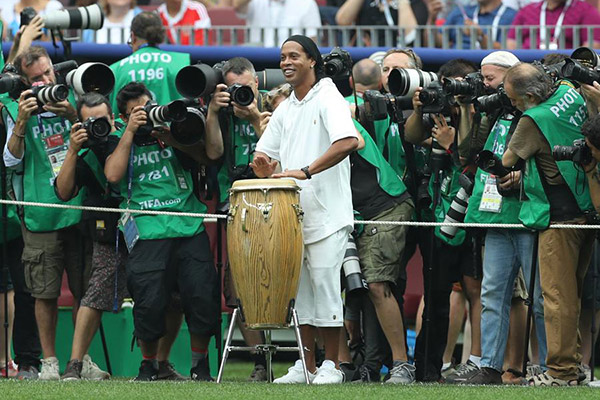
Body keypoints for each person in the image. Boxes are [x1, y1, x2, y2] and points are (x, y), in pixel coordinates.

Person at [250, 34, 358, 384]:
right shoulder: (286, 107)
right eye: (282, 57)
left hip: (329, 214)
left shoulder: (329, 96)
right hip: (292, 216)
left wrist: (306, 171)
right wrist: (263, 166)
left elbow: (348, 141)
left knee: (327, 289)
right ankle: (306, 366)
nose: (286, 62)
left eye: (294, 56)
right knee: (304, 294)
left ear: (312, 60)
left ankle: (333, 367)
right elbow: (265, 154)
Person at [104, 82, 222, 381]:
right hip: (146, 229)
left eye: (147, 108)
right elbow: (113, 175)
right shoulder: (119, 136)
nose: (144, 115)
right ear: (123, 116)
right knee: (148, 301)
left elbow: (208, 157)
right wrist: (130, 131)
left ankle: (200, 365)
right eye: (135, 113)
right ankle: (148, 364)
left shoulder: (173, 130)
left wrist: (173, 138)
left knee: (201, 295)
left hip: (187, 224)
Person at [2, 45, 102, 381]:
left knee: (83, 289)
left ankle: (80, 359)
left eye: (48, 73)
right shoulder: (16, 108)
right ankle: (49, 362)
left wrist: (73, 114)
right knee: (43, 293)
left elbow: (97, 148)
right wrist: (22, 120)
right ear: (25, 83)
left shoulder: (74, 101)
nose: (45, 81)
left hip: (78, 209)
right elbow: (10, 160)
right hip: (41, 214)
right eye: (36, 79)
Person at [502, 63, 596, 386]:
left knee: (556, 297)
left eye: (514, 100)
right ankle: (573, 367)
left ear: (529, 95)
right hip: (586, 207)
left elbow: (505, 162)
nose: (513, 106)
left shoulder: (532, 119)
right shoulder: (570, 93)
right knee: (573, 296)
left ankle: (560, 372)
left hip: (558, 217)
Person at [462, 51, 547, 385]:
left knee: (540, 297)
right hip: (495, 217)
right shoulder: (493, 112)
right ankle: (489, 366)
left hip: (529, 217)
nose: (485, 85)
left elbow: (550, 163)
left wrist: (522, 179)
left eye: (490, 79)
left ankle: (547, 369)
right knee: (492, 293)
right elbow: (467, 151)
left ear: (514, 79)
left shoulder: (537, 113)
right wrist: (471, 109)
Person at [404, 59, 483, 383]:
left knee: (476, 289)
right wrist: (418, 108)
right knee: (436, 296)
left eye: (459, 86)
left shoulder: (481, 113)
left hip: (473, 215)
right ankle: (427, 369)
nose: (452, 93)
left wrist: (454, 133)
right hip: (438, 216)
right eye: (447, 85)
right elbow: (411, 135)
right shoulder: (435, 110)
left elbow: (468, 157)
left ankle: (478, 362)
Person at [204, 56, 269, 381]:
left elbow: (284, 152)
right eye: (234, 90)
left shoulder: (277, 104)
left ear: (257, 83)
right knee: (239, 286)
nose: (241, 95)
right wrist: (214, 112)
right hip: (236, 203)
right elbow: (214, 153)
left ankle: (309, 359)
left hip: (276, 202)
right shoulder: (223, 114)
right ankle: (260, 360)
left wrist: (256, 117)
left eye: (246, 88)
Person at [54, 93, 125, 381]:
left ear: (113, 119)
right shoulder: (81, 150)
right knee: (93, 293)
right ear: (81, 122)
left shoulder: (126, 138)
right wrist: (72, 150)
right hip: (104, 230)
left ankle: (155, 364)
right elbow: (63, 191)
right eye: (90, 122)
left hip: (146, 224)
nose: (99, 127)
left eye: (103, 121)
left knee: (157, 292)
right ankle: (75, 363)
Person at [348, 119, 416, 384]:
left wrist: (307, 169)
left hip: (385, 207)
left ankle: (402, 365)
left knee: (378, 285)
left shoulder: (336, 113)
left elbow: (356, 142)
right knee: (363, 288)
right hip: (358, 215)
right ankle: (361, 364)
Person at [109, 11, 190, 113]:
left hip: (130, 128)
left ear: (133, 36)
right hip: (175, 128)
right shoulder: (181, 62)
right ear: (161, 34)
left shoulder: (115, 70)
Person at [507, 0, 600, 50]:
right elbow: (511, 43)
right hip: (528, 64)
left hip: (565, 65)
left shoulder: (586, 10)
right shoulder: (527, 10)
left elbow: (591, 47)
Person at [335, 0, 428, 46]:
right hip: (367, 55)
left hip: (399, 56)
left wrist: (403, 2)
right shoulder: (365, 2)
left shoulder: (414, 2)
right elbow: (342, 21)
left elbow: (409, 34)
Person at [431, 0, 517, 49]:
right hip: (454, 63)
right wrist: (432, 18)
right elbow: (440, 42)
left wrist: (480, 36)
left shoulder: (511, 16)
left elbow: (506, 52)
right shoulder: (460, 11)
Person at [233, 0, 322, 47]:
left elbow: (312, 39)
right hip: (257, 56)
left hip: (292, 60)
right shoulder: (254, 2)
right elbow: (237, 5)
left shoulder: (306, 3)